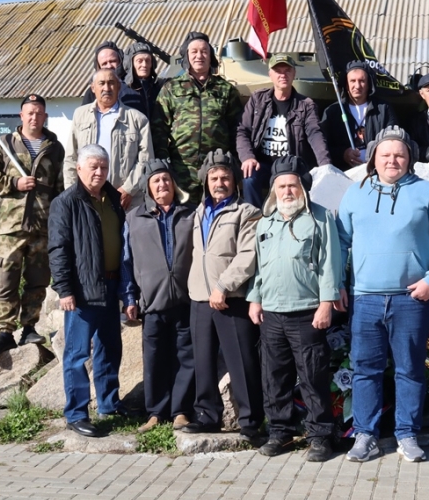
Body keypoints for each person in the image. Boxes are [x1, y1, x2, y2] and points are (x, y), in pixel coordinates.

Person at [337, 126, 429, 462]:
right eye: (386, 154)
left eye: (400, 155)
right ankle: (365, 435)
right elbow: (340, 242)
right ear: (373, 159)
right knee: (365, 369)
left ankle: (407, 434)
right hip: (365, 298)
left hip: (411, 299)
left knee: (410, 369)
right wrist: (338, 284)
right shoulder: (355, 194)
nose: (393, 160)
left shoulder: (427, 192)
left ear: (410, 158)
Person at [247, 156, 342, 462]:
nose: (287, 192)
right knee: (274, 377)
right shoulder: (266, 222)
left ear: (303, 188)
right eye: (281, 187)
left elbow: (330, 262)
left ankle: (320, 436)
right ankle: (280, 433)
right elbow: (260, 267)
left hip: (307, 312)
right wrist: (255, 298)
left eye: (293, 185)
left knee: (313, 376)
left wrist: (326, 303)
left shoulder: (321, 217)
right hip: (272, 313)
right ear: (273, 191)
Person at [48, 144, 137, 438]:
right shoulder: (66, 203)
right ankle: (76, 414)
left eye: (104, 167)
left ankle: (109, 404)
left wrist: (126, 290)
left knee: (110, 348)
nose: (99, 172)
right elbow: (58, 249)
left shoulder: (113, 199)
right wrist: (64, 289)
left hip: (111, 285)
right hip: (82, 290)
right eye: (93, 167)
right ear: (79, 169)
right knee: (76, 354)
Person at [183, 149, 264, 444]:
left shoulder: (247, 212)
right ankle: (207, 416)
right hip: (200, 298)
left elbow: (248, 255)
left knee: (241, 361)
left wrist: (223, 286)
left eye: (225, 177)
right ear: (206, 182)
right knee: (203, 361)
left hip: (231, 298)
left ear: (235, 181)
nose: (220, 183)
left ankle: (250, 421)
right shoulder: (199, 212)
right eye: (214, 178)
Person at [0, 94, 64, 359]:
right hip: (12, 225)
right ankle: (5, 332)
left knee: (38, 280)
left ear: (45, 116)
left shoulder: (55, 148)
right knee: (7, 280)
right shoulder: (5, 144)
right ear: (21, 116)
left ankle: (29, 327)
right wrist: (14, 183)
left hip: (43, 225)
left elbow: (60, 187)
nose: (34, 117)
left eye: (39, 113)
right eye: (30, 113)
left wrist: (59, 221)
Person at [127, 159, 195, 433]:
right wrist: (129, 297)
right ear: (148, 188)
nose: (162, 184)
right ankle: (156, 412)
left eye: (166, 179)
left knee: (185, 357)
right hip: (152, 301)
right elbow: (126, 261)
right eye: (156, 180)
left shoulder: (190, 214)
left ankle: (181, 411)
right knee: (154, 359)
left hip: (185, 299)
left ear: (174, 185)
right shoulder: (134, 218)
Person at [150, 32, 243, 199]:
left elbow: (237, 128)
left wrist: (235, 162)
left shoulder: (225, 90)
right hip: (181, 169)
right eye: (194, 52)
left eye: (204, 51)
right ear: (187, 56)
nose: (199, 56)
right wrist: (164, 161)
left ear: (211, 56)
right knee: (184, 213)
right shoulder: (171, 89)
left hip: (217, 170)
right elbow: (159, 129)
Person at [236, 54, 331, 207]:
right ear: (270, 74)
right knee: (249, 177)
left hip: (292, 165)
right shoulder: (257, 100)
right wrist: (247, 157)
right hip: (264, 165)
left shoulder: (306, 105)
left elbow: (315, 133)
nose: (283, 75)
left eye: (287, 70)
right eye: (278, 71)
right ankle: (253, 217)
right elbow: (242, 131)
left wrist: (325, 164)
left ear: (294, 73)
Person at [65, 68, 153, 210]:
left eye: (111, 83)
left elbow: (146, 159)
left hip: (126, 201)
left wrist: (128, 189)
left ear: (118, 87)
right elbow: (71, 157)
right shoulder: (80, 115)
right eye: (101, 83)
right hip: (87, 199)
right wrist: (72, 193)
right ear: (93, 88)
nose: (107, 88)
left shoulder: (137, 119)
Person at [320, 60, 396, 171]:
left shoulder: (384, 109)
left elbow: (394, 140)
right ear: (346, 84)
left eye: (362, 81)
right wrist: (343, 154)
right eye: (352, 81)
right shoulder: (333, 112)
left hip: (377, 171)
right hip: (344, 172)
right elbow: (323, 147)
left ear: (369, 83)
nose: (357, 86)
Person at [80, 41, 147, 115]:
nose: (109, 66)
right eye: (104, 63)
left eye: (113, 61)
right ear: (98, 67)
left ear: (120, 61)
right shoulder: (93, 92)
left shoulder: (135, 85)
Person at [123, 42, 164, 120]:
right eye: (139, 61)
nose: (144, 65)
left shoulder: (161, 87)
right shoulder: (121, 90)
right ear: (131, 64)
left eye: (148, 60)